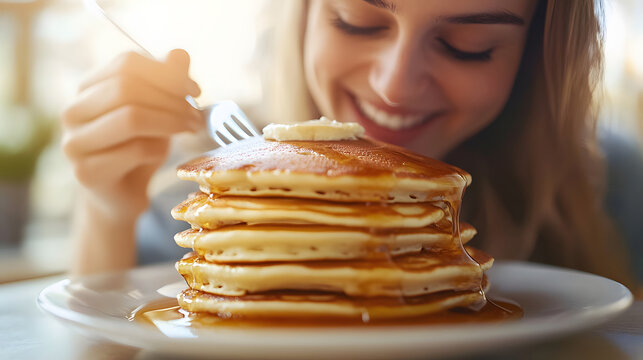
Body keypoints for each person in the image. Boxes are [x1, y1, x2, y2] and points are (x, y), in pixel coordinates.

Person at [61, 0, 641, 291]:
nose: (394, 84)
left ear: (536, 55)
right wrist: (106, 210)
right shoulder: (218, 203)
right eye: (359, 20)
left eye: (468, 45)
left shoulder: (616, 186)